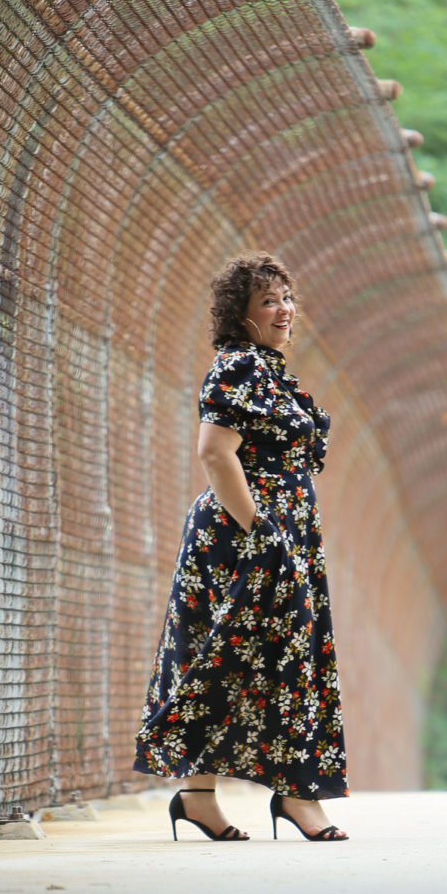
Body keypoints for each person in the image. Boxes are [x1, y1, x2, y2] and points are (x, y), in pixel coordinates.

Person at [133, 252, 349, 841]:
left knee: (226, 654)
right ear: (240, 314)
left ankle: (198, 796)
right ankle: (300, 797)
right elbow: (214, 452)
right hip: (246, 536)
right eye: (269, 301)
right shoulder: (238, 369)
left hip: (276, 534)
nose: (285, 310)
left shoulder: (268, 370)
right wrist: (262, 534)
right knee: (286, 657)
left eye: (287, 297)